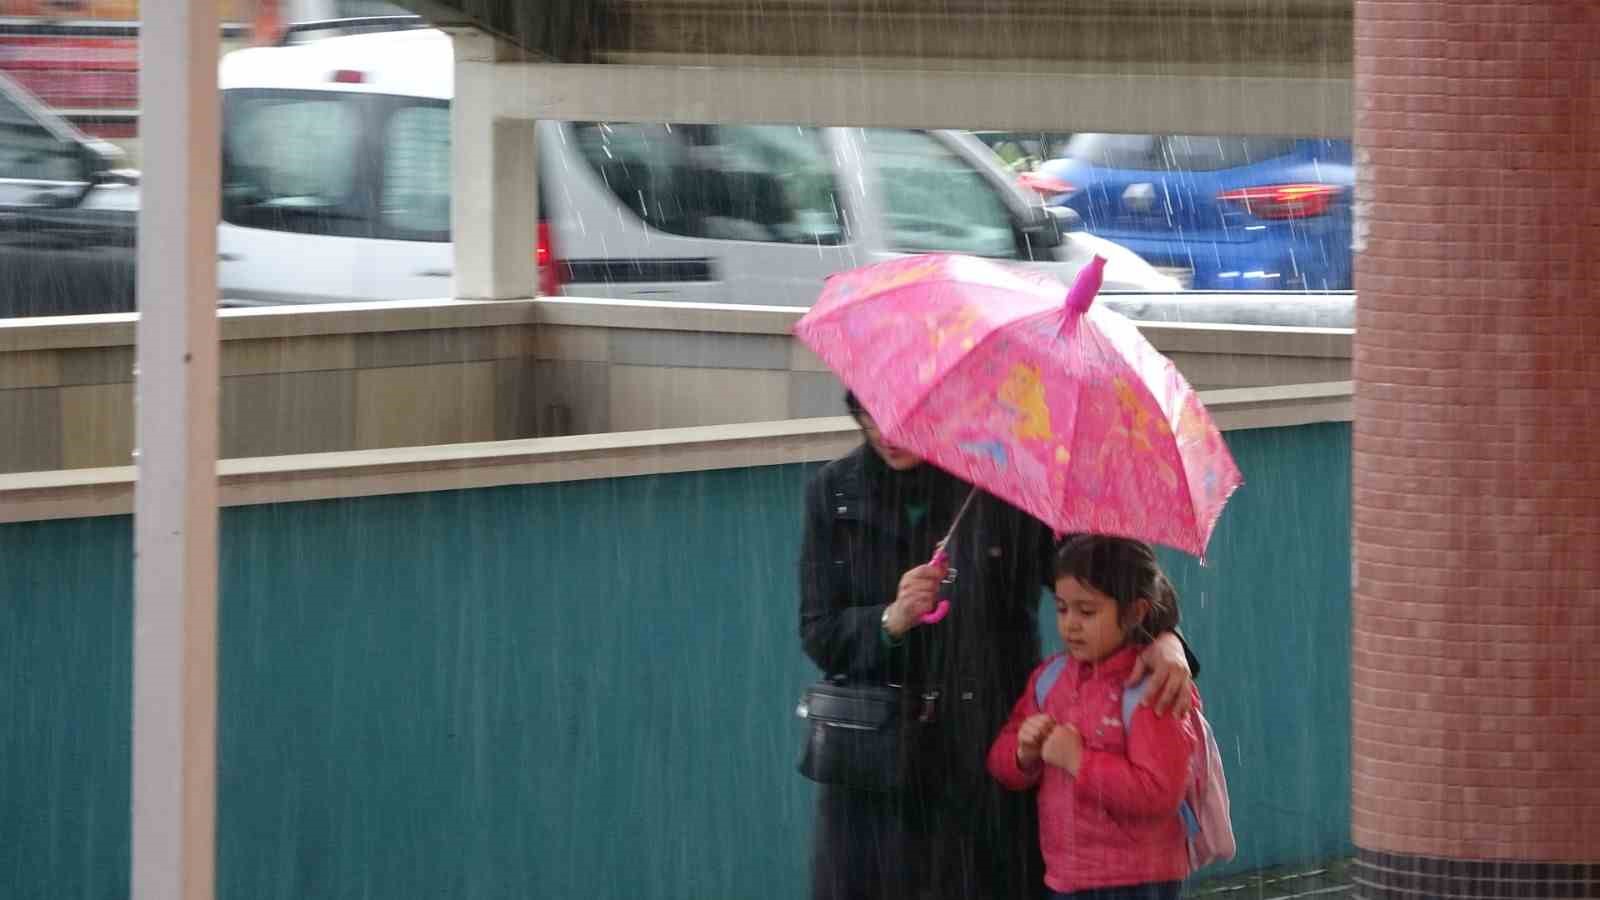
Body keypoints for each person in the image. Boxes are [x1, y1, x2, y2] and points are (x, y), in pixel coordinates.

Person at [799, 394, 1197, 900]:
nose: (887, 433)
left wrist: (1164, 637)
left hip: (984, 747)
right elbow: (819, 632)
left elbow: (1111, 574)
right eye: (869, 416)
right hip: (878, 762)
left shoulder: (1004, 482)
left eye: (905, 416)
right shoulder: (834, 494)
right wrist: (889, 620)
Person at [987, 536, 1201, 900]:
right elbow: (999, 759)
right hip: (1065, 876)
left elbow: (1159, 795)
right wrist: (1023, 753)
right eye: (1061, 609)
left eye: (1087, 612)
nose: (1070, 625)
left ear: (1134, 612)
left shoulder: (1153, 689)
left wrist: (1078, 760)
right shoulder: (1049, 679)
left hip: (1136, 881)